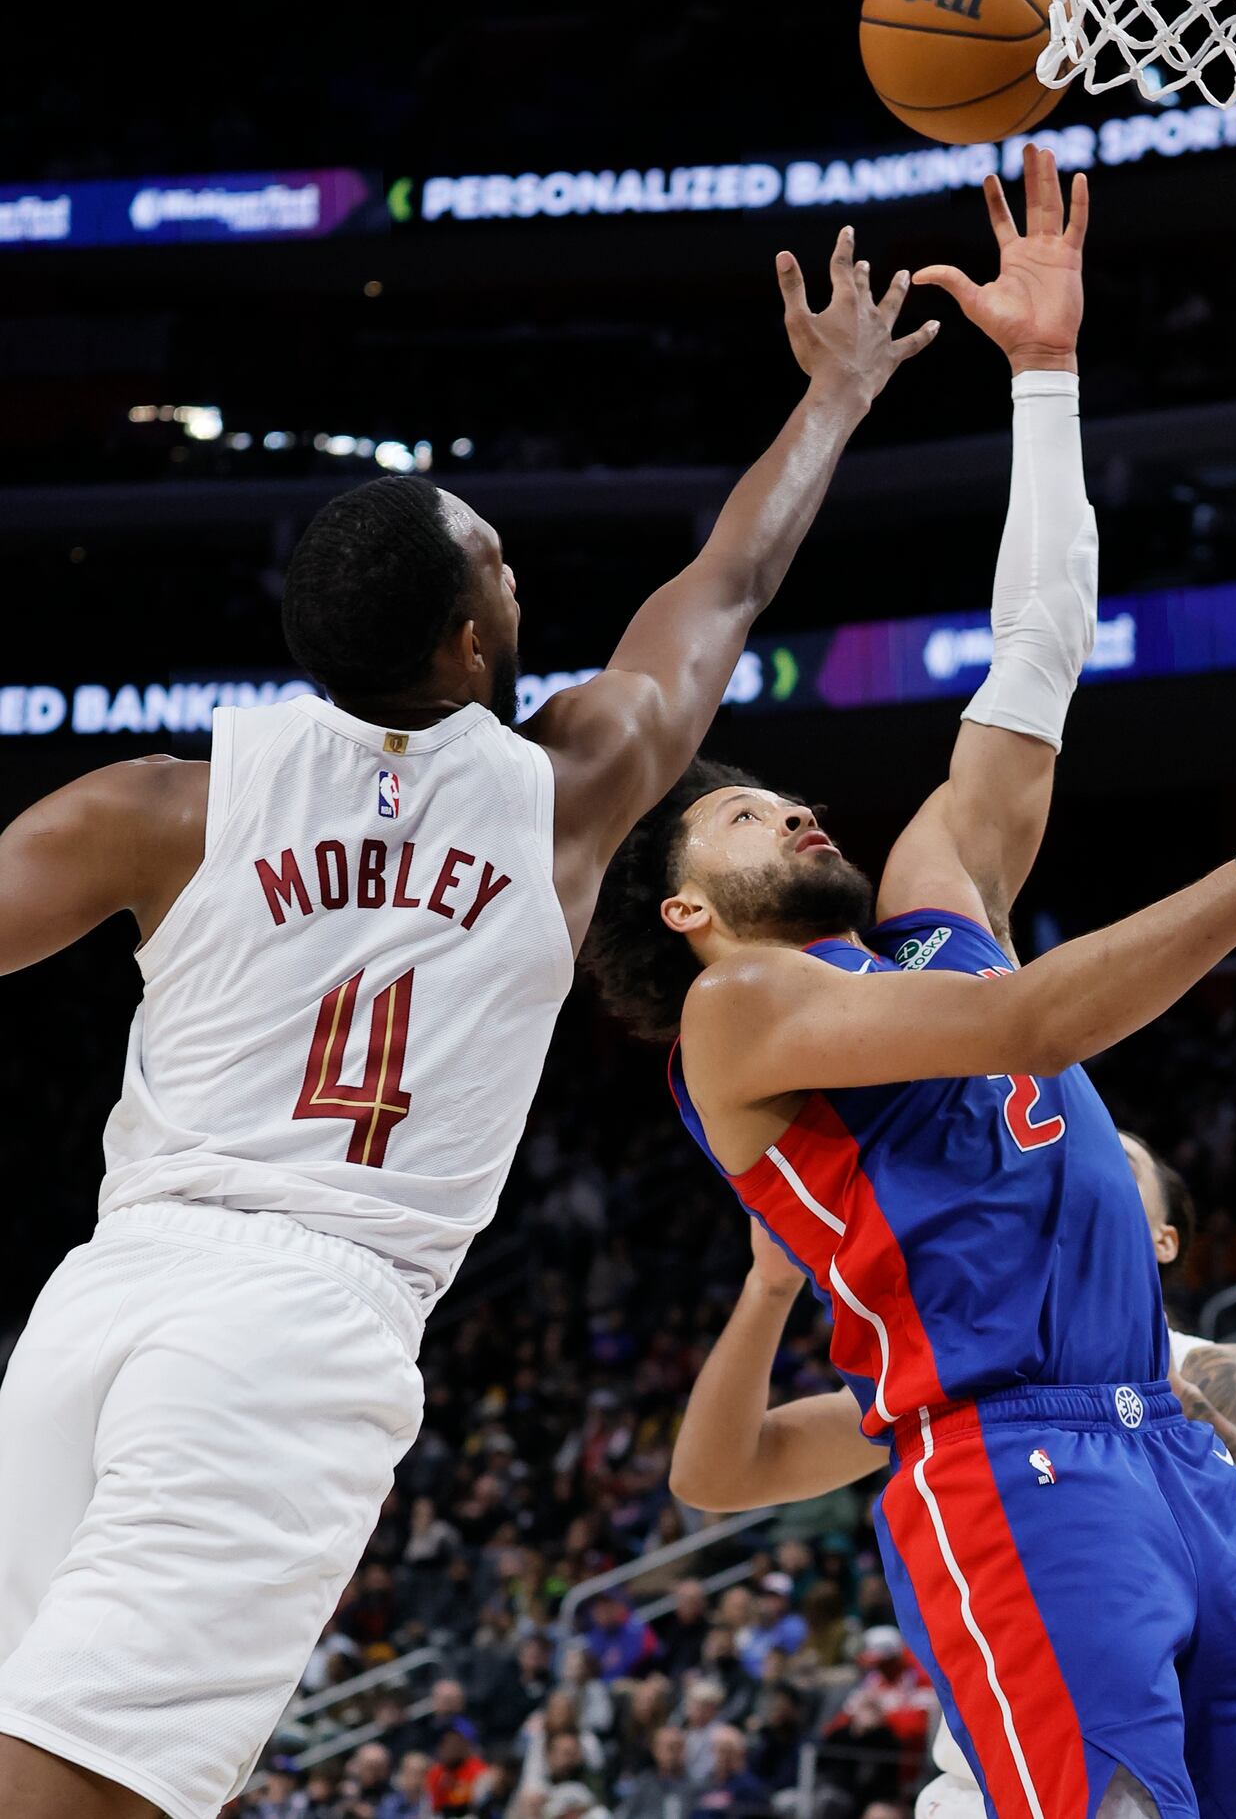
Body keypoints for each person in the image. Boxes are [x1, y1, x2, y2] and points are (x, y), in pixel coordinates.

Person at [585, 154, 1236, 1815]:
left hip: (1157, 1437)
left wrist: (1044, 377)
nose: (796, 806)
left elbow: (1038, 654)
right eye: (746, 812)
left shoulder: (936, 907)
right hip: (1004, 1458)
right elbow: (1033, 1024)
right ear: (683, 911)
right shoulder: (741, 1014)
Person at [0, 226, 938, 1819]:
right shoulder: (568, 792)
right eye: (500, 565)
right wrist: (836, 398)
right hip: (300, 1321)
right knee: (99, 1785)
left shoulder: (158, 805)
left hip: (101, 1301)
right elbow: (730, 580)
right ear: (463, 643)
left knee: (108, 1760)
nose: (521, 577)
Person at [671, 1126, 1236, 1819]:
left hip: (1210, 1776)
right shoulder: (962, 1374)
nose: (1076, 1173)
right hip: (1010, 1785)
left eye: (1113, 1163)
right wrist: (769, 1286)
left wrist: (1192, 1420)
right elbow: (717, 1476)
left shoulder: (1213, 1371)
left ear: (1164, 1240)